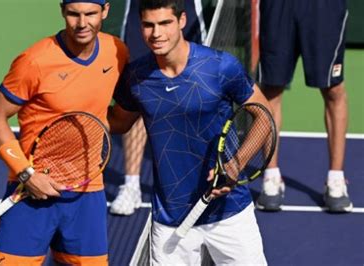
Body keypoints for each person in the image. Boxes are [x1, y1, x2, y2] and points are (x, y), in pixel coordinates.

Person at [109, 0, 268, 264]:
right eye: (148, 25)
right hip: (170, 219)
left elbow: (263, 115)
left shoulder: (220, 67)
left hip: (228, 214)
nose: (156, 33)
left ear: (182, 21)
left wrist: (236, 164)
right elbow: (119, 121)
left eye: (164, 23)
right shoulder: (137, 77)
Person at [0, 0, 128, 264]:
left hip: (88, 193)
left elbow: (115, 119)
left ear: (105, 10)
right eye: (74, 14)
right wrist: (27, 174)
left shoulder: (116, 50)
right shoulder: (35, 61)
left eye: (91, 14)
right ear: (62, 11)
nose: (82, 23)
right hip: (32, 190)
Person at [109, 0, 209, 216]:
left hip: (184, 6)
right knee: (138, 90)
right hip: (142, 7)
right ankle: (131, 184)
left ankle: (190, 180)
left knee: (193, 91)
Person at [255, 0, 353, 213]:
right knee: (271, 89)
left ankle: (336, 181)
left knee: (333, 88)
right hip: (279, 7)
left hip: (323, 8)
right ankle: (271, 178)